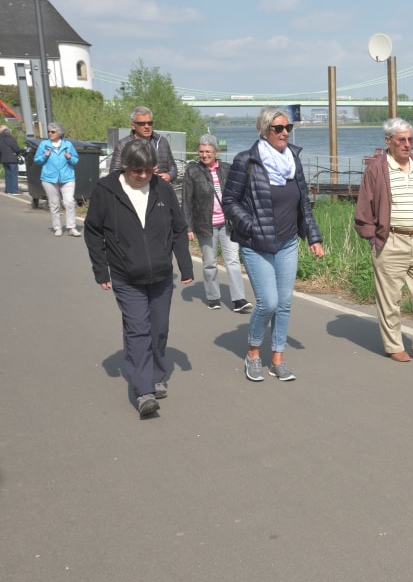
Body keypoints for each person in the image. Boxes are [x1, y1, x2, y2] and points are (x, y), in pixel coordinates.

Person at [84, 139, 194, 417]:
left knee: (158, 329)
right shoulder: (106, 190)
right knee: (137, 329)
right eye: (138, 171)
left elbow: (180, 228)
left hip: (160, 274)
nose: (143, 176)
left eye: (148, 170)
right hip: (125, 275)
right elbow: (93, 231)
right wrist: (101, 269)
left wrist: (185, 265)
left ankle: (156, 375)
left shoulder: (162, 188)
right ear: (126, 167)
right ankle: (143, 391)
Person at [223, 107, 324, 382]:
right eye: (277, 128)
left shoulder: (294, 160)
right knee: (268, 303)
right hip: (256, 243)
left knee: (285, 303)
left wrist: (313, 236)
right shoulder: (247, 161)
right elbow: (229, 202)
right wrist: (251, 225)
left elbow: (304, 202)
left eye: (287, 128)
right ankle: (253, 353)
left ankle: (277, 358)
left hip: (288, 242)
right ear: (264, 131)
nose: (283, 133)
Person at [354, 118, 413, 364]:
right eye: (401, 140)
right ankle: (393, 345)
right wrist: (372, 237)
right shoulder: (376, 170)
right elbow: (363, 210)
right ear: (388, 141)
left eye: (410, 140)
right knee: (390, 299)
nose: (407, 144)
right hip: (390, 241)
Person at [182, 134, 252, 313]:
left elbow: (240, 192)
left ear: (216, 152)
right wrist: (188, 227)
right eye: (201, 151)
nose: (204, 155)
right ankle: (213, 297)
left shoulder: (227, 169)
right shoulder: (193, 171)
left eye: (208, 151)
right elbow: (187, 201)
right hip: (205, 224)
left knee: (233, 261)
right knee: (210, 262)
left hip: (228, 224)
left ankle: (238, 299)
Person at [34, 122, 80, 237]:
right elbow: (36, 160)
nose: (50, 133)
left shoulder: (68, 145)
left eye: (53, 132)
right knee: (54, 204)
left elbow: (75, 160)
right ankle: (57, 227)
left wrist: (70, 158)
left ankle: (71, 227)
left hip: (67, 177)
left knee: (69, 201)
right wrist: (45, 156)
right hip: (49, 178)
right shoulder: (44, 145)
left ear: (59, 133)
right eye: (49, 131)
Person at [108, 106, 178, 182]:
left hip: (158, 190)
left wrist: (169, 176)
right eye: (142, 124)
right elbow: (114, 173)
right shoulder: (123, 144)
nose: (147, 126)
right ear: (133, 126)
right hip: (134, 190)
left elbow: (173, 167)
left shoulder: (162, 141)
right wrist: (139, 173)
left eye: (150, 123)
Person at [0, 125, 21, 194]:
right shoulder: (11, 139)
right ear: (9, 133)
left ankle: (8, 189)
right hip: (12, 159)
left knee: (8, 175)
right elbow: (16, 149)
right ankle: (14, 190)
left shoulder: (1, 140)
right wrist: (17, 152)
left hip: (4, 159)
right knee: (14, 175)